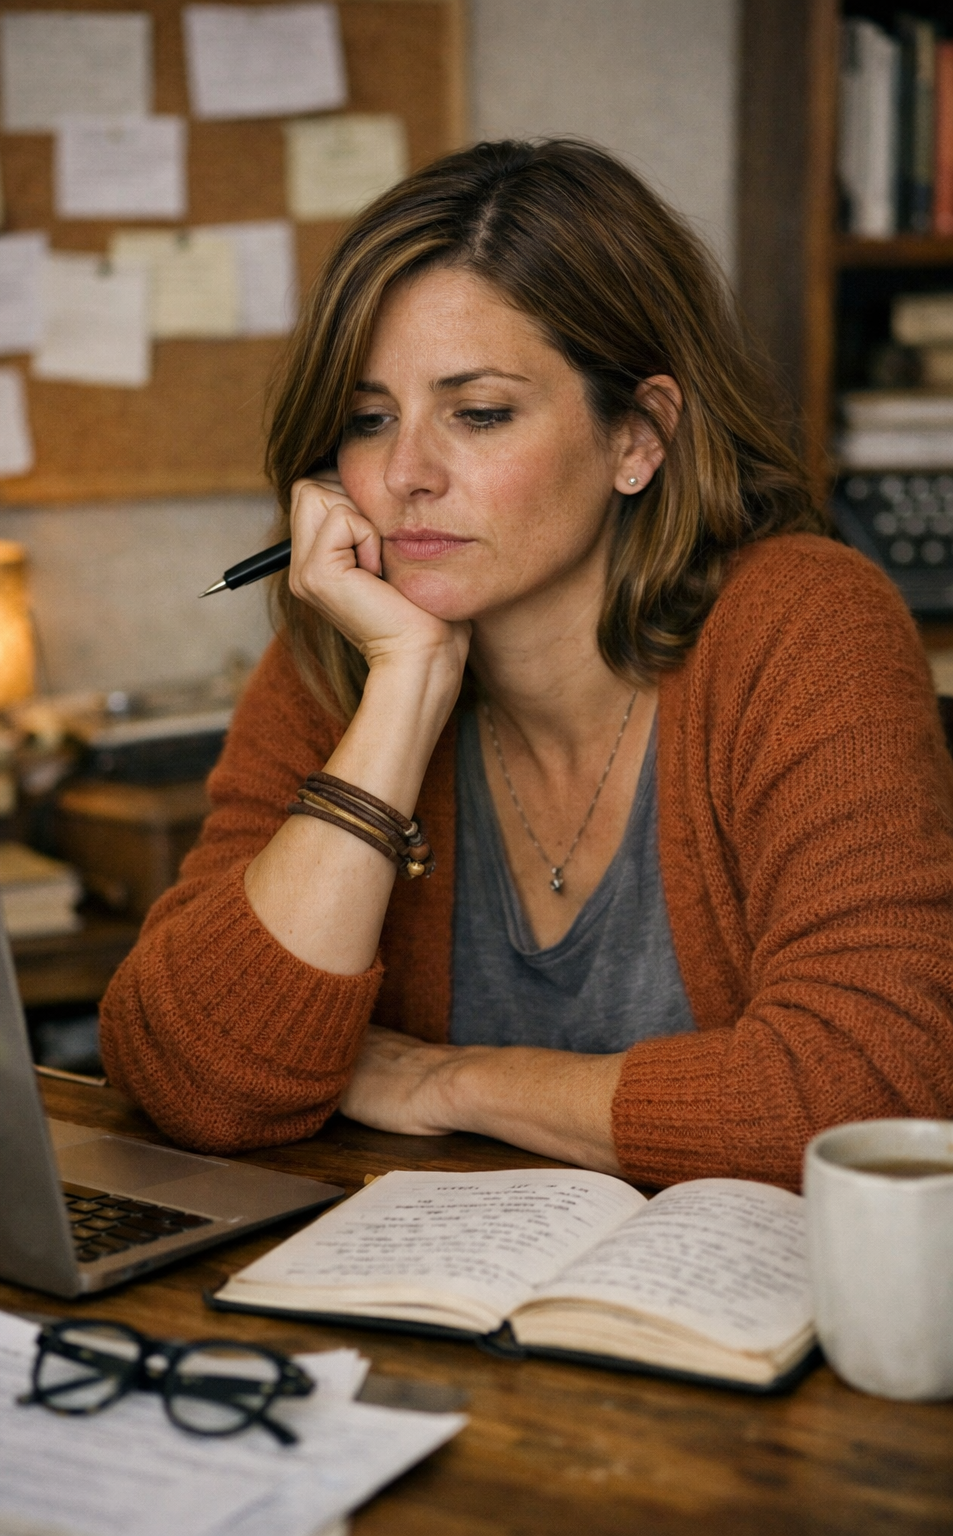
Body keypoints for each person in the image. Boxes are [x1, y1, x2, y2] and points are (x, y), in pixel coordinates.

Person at [100, 140, 953, 1190]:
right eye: (370, 420)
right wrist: (404, 691)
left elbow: (870, 1093)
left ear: (637, 436)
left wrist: (449, 1084)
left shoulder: (800, 625)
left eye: (480, 413)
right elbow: (190, 1075)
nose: (404, 475)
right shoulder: (344, 653)